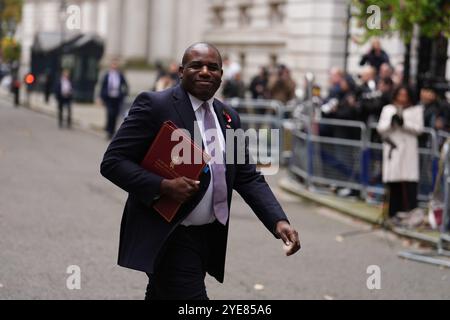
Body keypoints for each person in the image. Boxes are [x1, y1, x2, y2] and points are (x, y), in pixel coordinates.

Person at [100, 43, 301, 300]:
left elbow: (246, 175)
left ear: (221, 75)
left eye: (213, 67)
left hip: (206, 236)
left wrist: (278, 221)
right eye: (196, 66)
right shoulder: (155, 105)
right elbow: (113, 162)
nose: (205, 72)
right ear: (182, 71)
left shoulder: (229, 117)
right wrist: (163, 186)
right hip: (168, 234)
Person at [377, 85, 423, 219]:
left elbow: (419, 129)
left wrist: (404, 124)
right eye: (400, 94)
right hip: (394, 149)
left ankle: (408, 211)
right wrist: (391, 123)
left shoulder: (415, 110)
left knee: (408, 181)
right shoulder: (388, 109)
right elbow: (380, 128)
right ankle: (392, 211)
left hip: (408, 150)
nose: (402, 97)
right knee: (394, 181)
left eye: (405, 94)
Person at [100, 59, 129, 139]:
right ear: (111, 66)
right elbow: (102, 86)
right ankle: (108, 131)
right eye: (113, 65)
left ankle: (112, 132)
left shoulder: (120, 75)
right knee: (110, 114)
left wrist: (124, 94)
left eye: (115, 65)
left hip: (117, 98)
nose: (114, 67)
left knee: (115, 115)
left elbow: (125, 85)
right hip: (109, 98)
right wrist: (101, 97)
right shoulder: (107, 75)